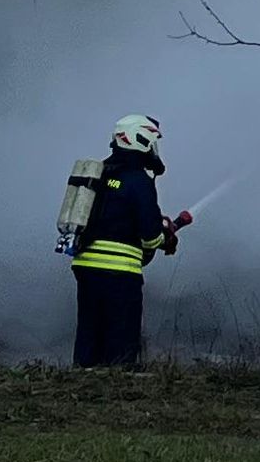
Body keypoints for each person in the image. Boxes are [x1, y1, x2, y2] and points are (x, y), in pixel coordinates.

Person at [63, 114, 187, 367]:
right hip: (119, 272)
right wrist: (166, 237)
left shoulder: (99, 173)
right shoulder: (138, 180)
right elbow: (150, 238)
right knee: (121, 335)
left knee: (90, 329)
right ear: (142, 139)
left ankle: (83, 377)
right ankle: (118, 383)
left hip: (85, 267)